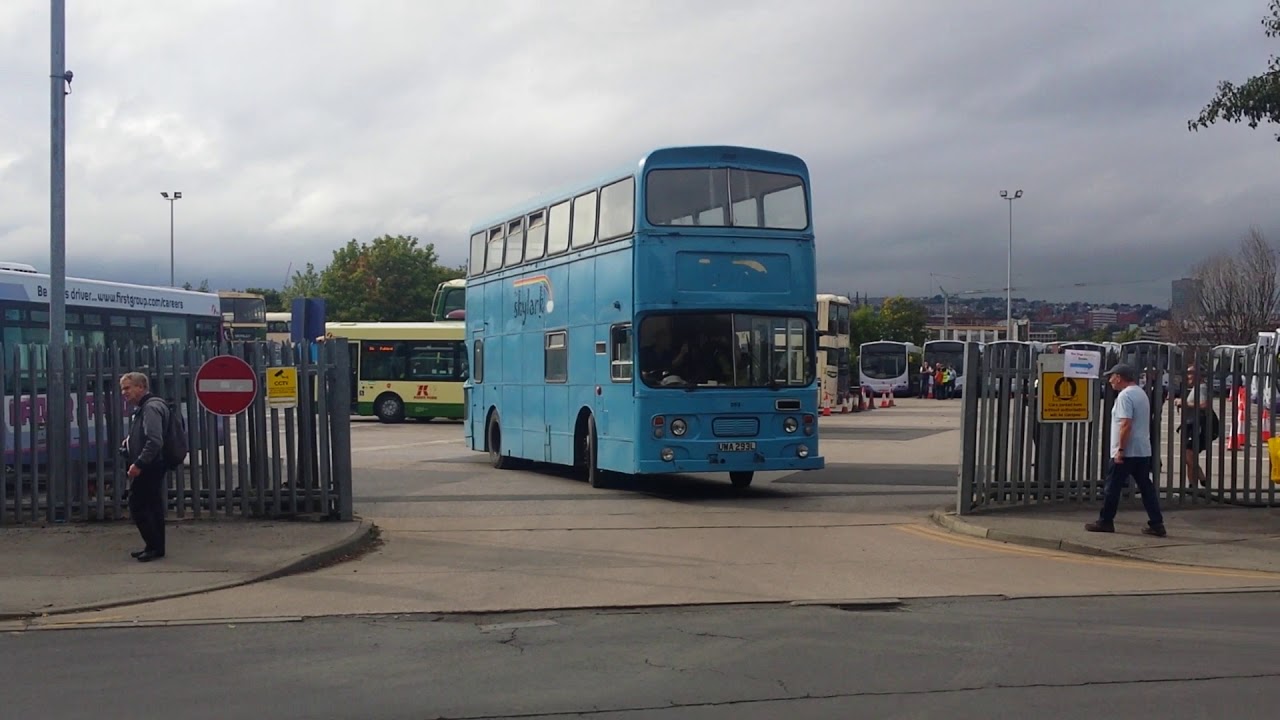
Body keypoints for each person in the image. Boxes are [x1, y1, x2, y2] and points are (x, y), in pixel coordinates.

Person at [1086, 363, 1167, 537]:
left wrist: (1120, 449)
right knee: (1146, 488)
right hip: (1142, 450)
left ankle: (1105, 521)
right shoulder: (1141, 394)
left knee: (1112, 488)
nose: (1109, 380)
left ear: (1119, 377)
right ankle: (1157, 523)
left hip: (1126, 451)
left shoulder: (1125, 396)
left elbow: (1125, 424)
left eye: (1111, 377)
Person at [119, 372, 169, 562]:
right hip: (152, 463)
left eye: (127, 388)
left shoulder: (150, 408)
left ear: (141, 387)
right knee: (153, 505)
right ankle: (155, 546)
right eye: (123, 389)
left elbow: (154, 440)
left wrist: (139, 463)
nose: (124, 393)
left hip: (149, 465)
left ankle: (154, 546)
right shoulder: (147, 407)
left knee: (138, 505)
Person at [1175, 365, 1215, 488]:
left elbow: (1205, 405)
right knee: (1189, 457)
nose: (1188, 376)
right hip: (1192, 426)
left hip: (1197, 427)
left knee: (1188, 456)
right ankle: (1192, 485)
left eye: (1190, 373)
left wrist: (1184, 403)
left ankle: (1202, 479)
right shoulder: (1196, 388)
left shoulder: (1201, 388)